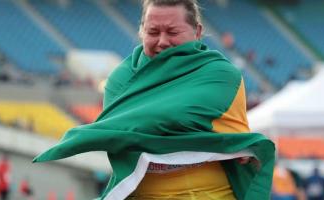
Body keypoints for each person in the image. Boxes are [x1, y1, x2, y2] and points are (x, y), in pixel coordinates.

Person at [33, 0, 275, 200]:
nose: (162, 41)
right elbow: (123, 138)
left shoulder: (222, 74)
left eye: (172, 32)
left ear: (198, 32)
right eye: (152, 32)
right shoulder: (122, 79)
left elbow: (189, 122)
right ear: (141, 31)